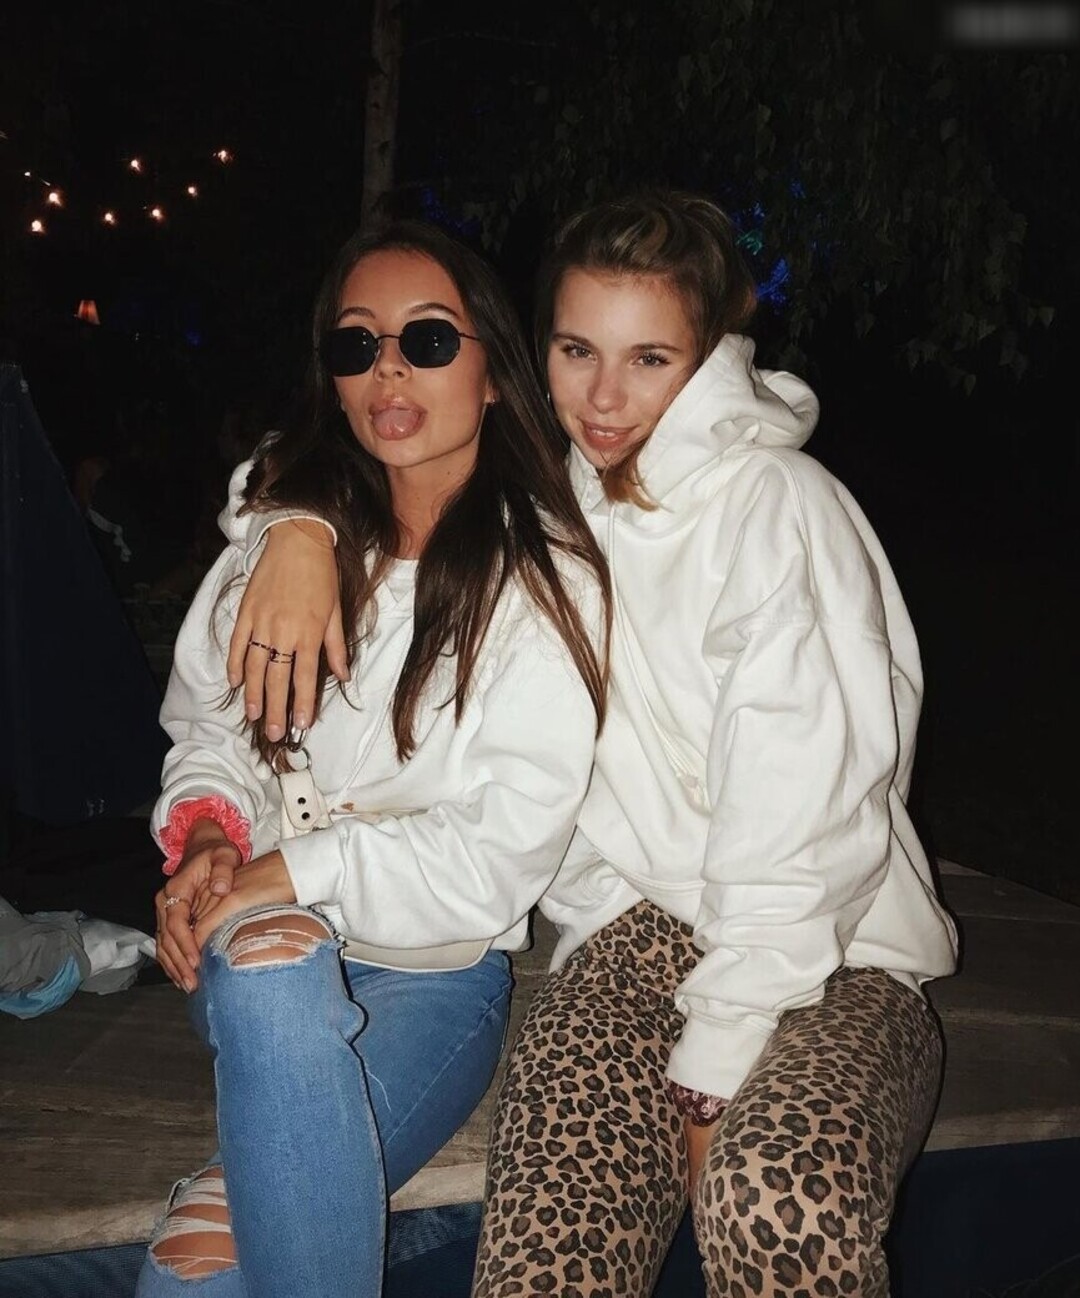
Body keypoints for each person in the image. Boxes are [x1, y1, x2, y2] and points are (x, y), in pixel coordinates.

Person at [220, 191, 958, 1298]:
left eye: (649, 358)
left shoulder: (776, 507)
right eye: (577, 351)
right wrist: (295, 524)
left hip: (832, 947)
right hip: (629, 939)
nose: (606, 398)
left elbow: (802, 802)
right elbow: (367, 454)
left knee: (771, 1201)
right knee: (546, 1250)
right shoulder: (553, 497)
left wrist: (716, 1061)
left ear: (708, 355)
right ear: (539, 352)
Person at [136, 219, 609, 1298]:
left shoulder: (545, 583)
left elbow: (497, 858)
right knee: (270, 961)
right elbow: (210, 731)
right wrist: (208, 835)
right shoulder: (286, 551)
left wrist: (290, 870)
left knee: (196, 1277)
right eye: (357, 345)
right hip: (256, 955)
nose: (387, 367)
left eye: (427, 340)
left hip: (432, 976)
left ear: (495, 371)